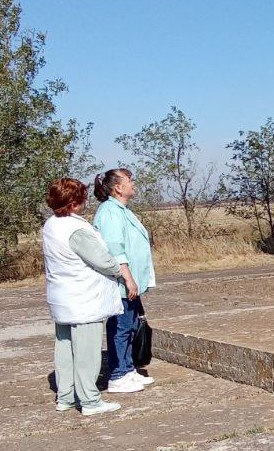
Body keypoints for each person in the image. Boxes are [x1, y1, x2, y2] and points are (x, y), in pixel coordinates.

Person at [42, 178, 136, 416]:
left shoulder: (52, 224)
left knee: (65, 349)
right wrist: (121, 271)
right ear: (74, 202)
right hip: (83, 298)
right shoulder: (75, 229)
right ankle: (90, 401)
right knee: (87, 351)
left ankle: (65, 397)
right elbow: (101, 260)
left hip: (62, 296)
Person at [93, 168, 156, 393]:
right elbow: (115, 250)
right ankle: (117, 374)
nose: (133, 184)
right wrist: (128, 279)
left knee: (130, 325)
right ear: (118, 187)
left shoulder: (121, 210)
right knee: (120, 327)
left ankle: (128, 370)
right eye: (129, 181)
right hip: (120, 281)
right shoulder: (109, 212)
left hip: (130, 281)